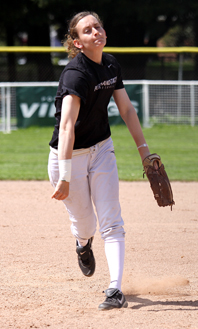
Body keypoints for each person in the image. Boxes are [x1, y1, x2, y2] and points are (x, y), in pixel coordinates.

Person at [48, 11, 151, 310]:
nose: (96, 32)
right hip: (68, 157)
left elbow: (127, 110)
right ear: (77, 42)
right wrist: (65, 176)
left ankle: (115, 289)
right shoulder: (75, 75)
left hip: (102, 149)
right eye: (87, 30)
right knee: (86, 224)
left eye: (98, 26)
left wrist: (144, 151)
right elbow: (67, 127)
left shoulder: (110, 64)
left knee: (111, 220)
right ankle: (82, 245)